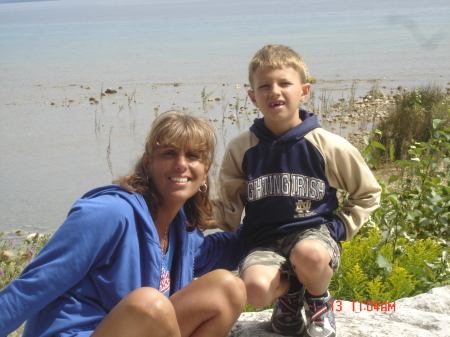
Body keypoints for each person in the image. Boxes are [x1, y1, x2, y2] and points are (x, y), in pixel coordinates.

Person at [0, 111, 247, 337]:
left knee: (228, 289)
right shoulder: (109, 214)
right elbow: (33, 286)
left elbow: (222, 252)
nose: (181, 164)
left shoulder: (178, 229)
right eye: (169, 153)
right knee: (149, 305)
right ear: (148, 164)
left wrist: (275, 219)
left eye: (192, 156)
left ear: (204, 173)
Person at [213, 45, 382, 337]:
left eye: (284, 83)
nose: (274, 92)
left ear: (304, 91)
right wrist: (196, 215)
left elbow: (367, 192)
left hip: (313, 237)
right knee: (253, 290)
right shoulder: (241, 148)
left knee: (310, 255)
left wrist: (340, 228)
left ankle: (318, 301)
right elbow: (229, 204)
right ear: (252, 96)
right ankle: (289, 298)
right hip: (264, 241)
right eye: (264, 86)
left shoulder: (327, 145)